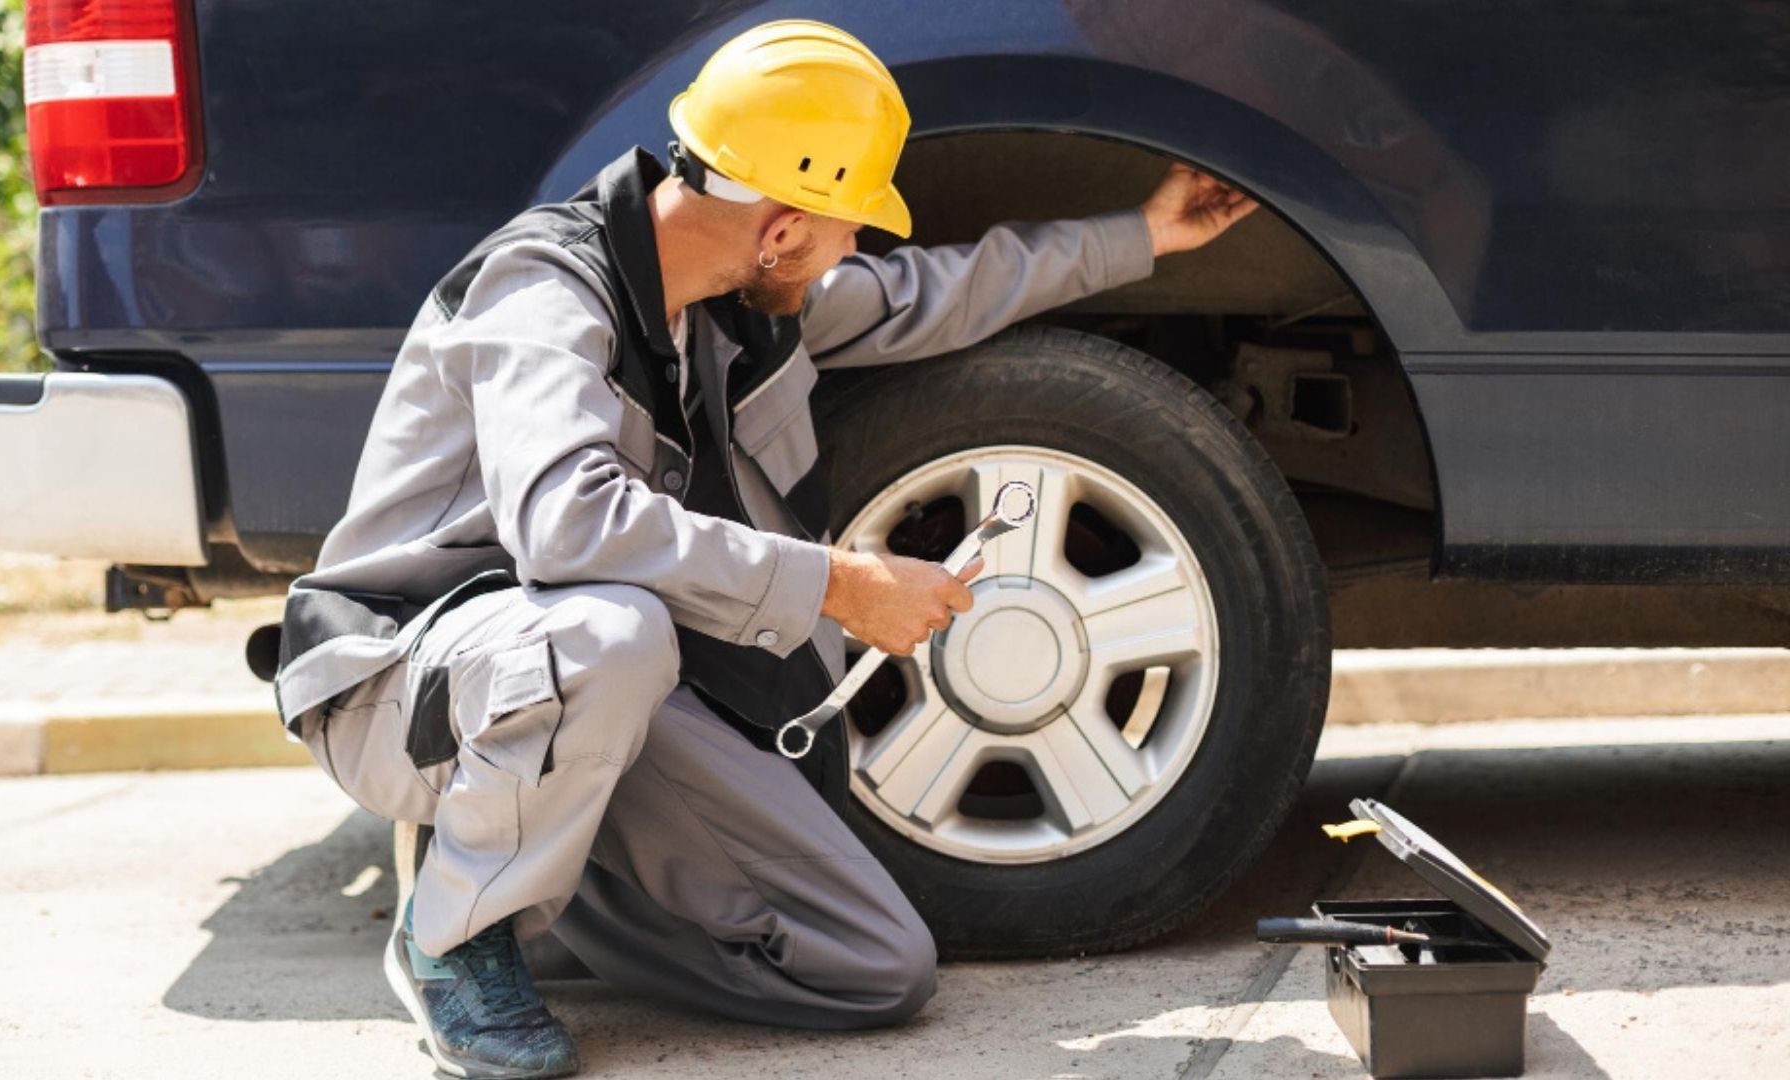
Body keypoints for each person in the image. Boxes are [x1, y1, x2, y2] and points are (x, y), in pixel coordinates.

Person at [272, 18, 1257, 1079]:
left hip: (596, 690)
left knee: (877, 968)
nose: (860, 250)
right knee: (617, 628)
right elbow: (567, 523)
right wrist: (838, 586)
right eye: (849, 229)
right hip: (419, 686)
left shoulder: (731, 303)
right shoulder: (543, 292)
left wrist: (1148, 233)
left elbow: (938, 291)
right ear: (782, 230)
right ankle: (456, 939)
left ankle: (527, 871)